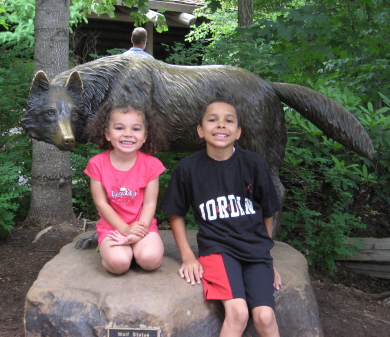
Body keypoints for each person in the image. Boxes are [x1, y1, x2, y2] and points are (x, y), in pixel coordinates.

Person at [160, 98, 282, 337]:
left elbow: (269, 212)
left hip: (255, 252)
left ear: (238, 132)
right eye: (212, 120)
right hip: (218, 250)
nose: (221, 125)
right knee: (238, 313)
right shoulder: (187, 168)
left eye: (229, 121)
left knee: (265, 316)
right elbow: (176, 215)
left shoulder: (253, 163)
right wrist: (187, 257)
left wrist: (267, 257)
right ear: (200, 130)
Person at [84, 101, 165, 274]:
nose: (128, 134)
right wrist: (125, 230)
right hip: (112, 228)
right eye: (119, 128)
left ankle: (136, 250)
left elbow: (150, 204)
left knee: (150, 260)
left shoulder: (152, 165)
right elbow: (101, 204)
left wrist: (137, 231)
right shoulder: (97, 164)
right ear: (107, 134)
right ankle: (114, 254)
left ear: (144, 136)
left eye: (136, 129)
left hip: (143, 226)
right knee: (119, 264)